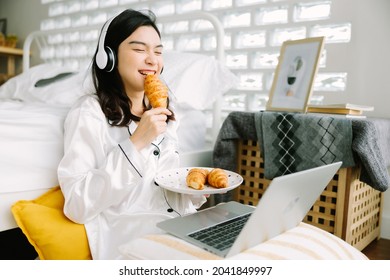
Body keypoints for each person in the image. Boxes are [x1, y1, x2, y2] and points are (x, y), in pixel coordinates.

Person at [57, 9, 206, 260]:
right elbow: (77, 206)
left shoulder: (165, 112)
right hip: (133, 242)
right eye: (139, 50)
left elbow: (164, 193)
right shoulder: (89, 112)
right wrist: (136, 143)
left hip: (180, 228)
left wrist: (193, 193)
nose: (152, 60)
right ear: (109, 57)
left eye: (158, 52)